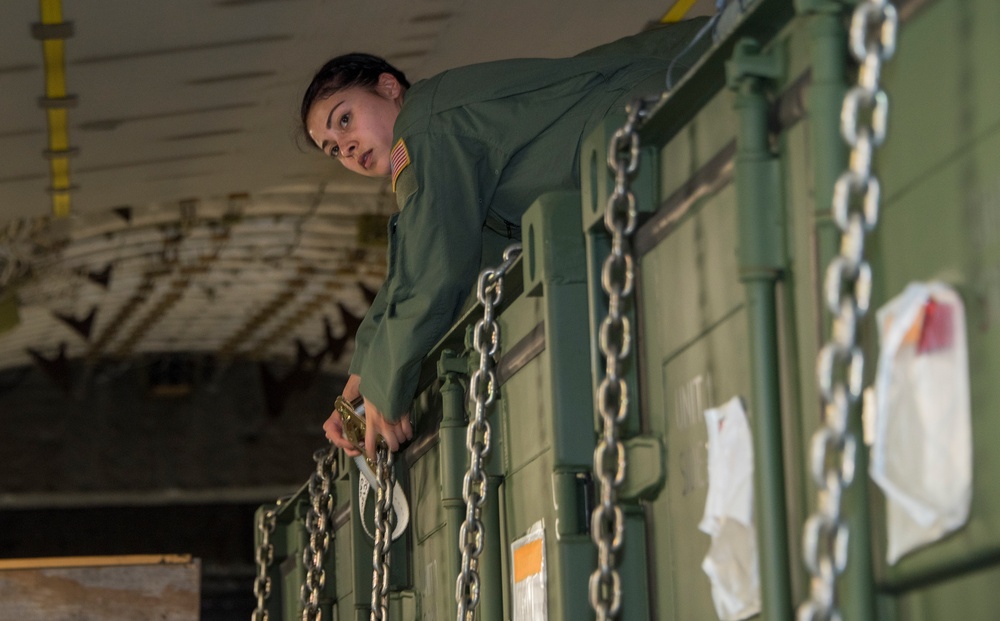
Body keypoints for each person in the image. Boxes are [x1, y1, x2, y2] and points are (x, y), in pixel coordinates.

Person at [302, 17, 712, 461]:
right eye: (333, 150)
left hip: (637, 128)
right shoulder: (437, 138)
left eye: (345, 120)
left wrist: (386, 386)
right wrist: (360, 380)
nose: (346, 148)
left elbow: (436, 266)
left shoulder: (423, 131)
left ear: (387, 87)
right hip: (631, 127)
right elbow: (417, 261)